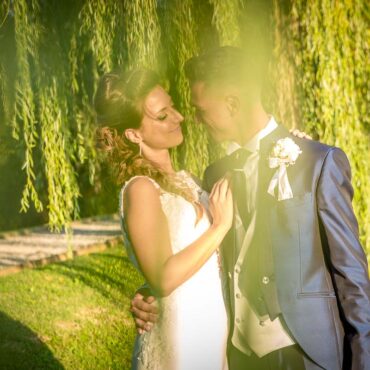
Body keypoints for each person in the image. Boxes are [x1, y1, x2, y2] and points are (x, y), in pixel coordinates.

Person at [131, 46, 370, 370]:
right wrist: (154, 292)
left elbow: (351, 276)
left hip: (306, 353)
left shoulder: (316, 162)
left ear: (232, 104)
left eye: (202, 109)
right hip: (239, 356)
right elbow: (202, 254)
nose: (195, 119)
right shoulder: (215, 174)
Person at [94, 69, 232, 370]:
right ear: (133, 134)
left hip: (211, 327)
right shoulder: (141, 189)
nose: (179, 117)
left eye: (172, 106)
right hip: (179, 339)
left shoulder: (190, 179)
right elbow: (164, 278)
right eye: (162, 115)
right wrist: (220, 226)